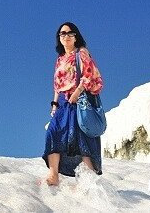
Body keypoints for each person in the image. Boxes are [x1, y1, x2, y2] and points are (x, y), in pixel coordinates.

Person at [42, 21, 104, 186]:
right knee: (53, 133)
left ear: (76, 36)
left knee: (80, 137)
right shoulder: (60, 59)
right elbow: (57, 84)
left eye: (70, 33)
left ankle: (89, 177)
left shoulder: (81, 53)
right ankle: (53, 175)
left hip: (79, 100)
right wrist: (54, 104)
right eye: (62, 33)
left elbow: (89, 74)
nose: (66, 36)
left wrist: (77, 93)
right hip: (63, 101)